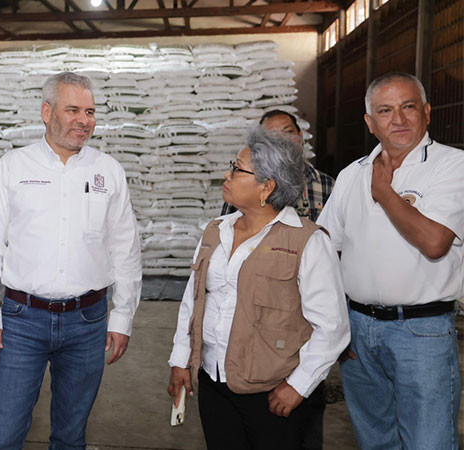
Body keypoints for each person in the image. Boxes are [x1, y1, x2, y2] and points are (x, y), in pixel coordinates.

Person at [0, 71, 142, 450]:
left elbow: (125, 247)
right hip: (21, 321)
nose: (84, 120)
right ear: (47, 112)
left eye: (91, 112)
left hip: (88, 320)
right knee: (4, 434)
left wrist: (124, 315)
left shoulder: (108, 172)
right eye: (73, 110)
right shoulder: (14, 167)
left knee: (70, 435)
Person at [168, 127, 350, 449]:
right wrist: (181, 360)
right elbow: (192, 303)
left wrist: (298, 386)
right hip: (214, 385)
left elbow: (332, 327)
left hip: (273, 394)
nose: (228, 174)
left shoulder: (307, 242)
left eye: (237, 169)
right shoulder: (215, 231)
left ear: (267, 186)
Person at [317, 72, 464, 450]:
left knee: (428, 442)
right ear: (370, 122)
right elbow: (323, 250)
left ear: (427, 112)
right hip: (357, 328)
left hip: (421, 332)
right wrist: (336, 324)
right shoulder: (353, 174)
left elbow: (434, 242)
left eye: (408, 106)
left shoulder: (451, 165)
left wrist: (384, 192)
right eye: (385, 110)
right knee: (375, 440)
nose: (398, 119)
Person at [221, 110, 335, 223]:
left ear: (300, 135)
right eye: (272, 137)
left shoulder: (326, 185)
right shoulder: (244, 189)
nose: (283, 141)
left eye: (288, 132)